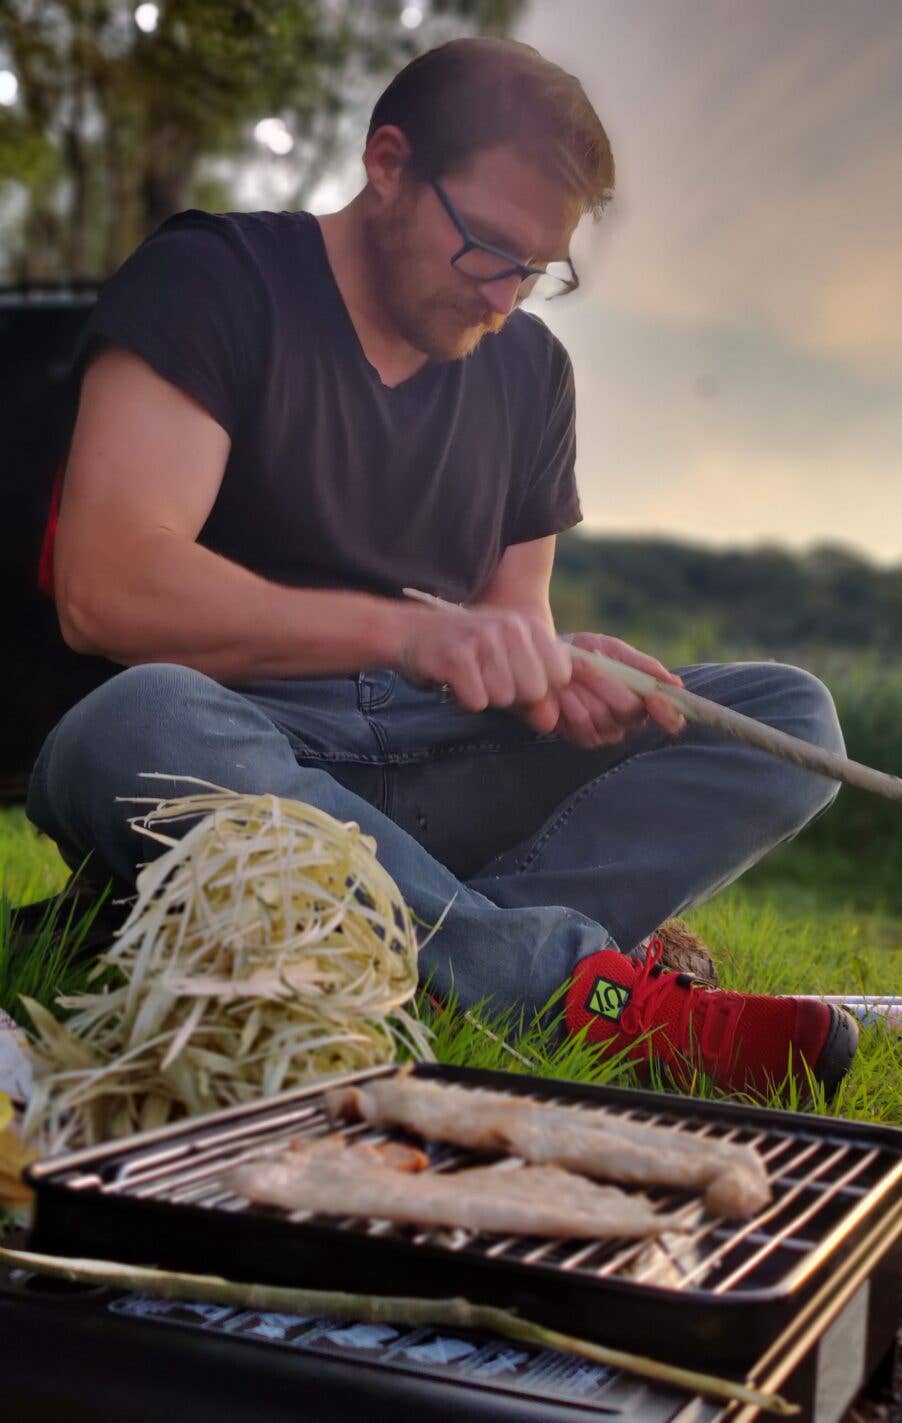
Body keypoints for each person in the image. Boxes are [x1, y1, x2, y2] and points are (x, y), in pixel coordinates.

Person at [25, 37, 857, 1097]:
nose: (504, 299)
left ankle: (385, 943)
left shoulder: (530, 374)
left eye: (537, 270)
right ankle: (561, 988)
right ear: (387, 166)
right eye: (487, 250)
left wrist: (556, 680)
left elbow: (512, 626)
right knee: (133, 721)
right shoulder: (213, 282)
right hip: (246, 759)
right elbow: (109, 588)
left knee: (790, 719)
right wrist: (407, 632)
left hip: (433, 771)